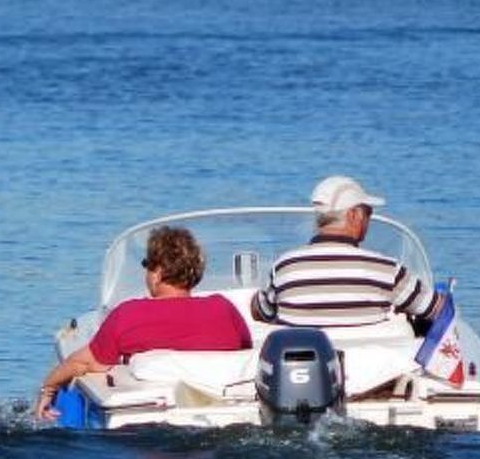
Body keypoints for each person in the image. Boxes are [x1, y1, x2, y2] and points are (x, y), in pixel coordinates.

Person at [37, 224, 249, 419]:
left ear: (156, 273)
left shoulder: (130, 314)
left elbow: (84, 363)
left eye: (147, 265)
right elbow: (244, 353)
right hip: (228, 409)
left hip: (149, 417)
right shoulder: (224, 309)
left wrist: (48, 388)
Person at [250, 175, 442, 330]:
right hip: (373, 375)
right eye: (368, 213)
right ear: (354, 215)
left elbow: (260, 311)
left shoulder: (285, 268)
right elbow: (436, 309)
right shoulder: (387, 271)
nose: (369, 221)